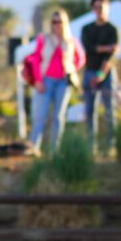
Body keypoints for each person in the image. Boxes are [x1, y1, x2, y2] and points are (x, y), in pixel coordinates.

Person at [24, 8, 85, 153]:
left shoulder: (70, 41)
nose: (57, 24)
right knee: (40, 116)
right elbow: (35, 59)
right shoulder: (43, 39)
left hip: (63, 82)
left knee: (58, 116)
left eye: (60, 21)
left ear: (65, 23)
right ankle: (33, 147)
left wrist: (71, 68)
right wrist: (38, 80)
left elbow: (81, 59)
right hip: (46, 80)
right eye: (54, 22)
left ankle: (54, 150)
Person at [80, 0, 121, 155]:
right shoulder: (87, 29)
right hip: (89, 71)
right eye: (96, 7)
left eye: (102, 7)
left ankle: (110, 146)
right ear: (92, 9)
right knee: (89, 111)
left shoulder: (112, 30)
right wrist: (106, 48)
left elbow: (111, 55)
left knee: (109, 110)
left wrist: (101, 73)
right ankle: (91, 147)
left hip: (106, 73)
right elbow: (89, 48)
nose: (99, 10)